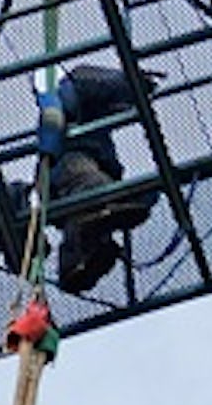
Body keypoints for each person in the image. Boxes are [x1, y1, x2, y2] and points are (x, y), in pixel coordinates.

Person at [50, 65, 159, 293]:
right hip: (71, 169)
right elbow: (79, 86)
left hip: (80, 180)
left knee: (104, 205)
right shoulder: (72, 102)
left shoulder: (94, 132)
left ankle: (86, 251)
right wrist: (131, 84)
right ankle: (86, 244)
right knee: (92, 190)